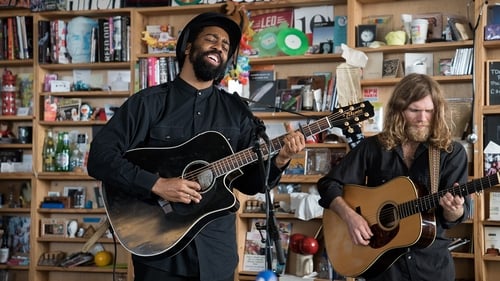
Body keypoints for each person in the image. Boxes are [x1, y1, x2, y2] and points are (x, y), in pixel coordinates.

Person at [87, 12, 305, 281]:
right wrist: (155, 184)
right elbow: (99, 157)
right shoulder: (148, 103)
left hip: (217, 253)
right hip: (160, 252)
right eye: (211, 39)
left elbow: (251, 184)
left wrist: (281, 158)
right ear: (188, 46)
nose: (219, 48)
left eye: (226, 47)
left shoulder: (237, 112)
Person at [317, 73, 470, 281]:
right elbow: (329, 184)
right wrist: (350, 217)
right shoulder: (373, 147)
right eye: (414, 110)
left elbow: (452, 220)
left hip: (430, 268)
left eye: (429, 111)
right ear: (398, 110)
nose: (422, 119)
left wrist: (455, 209)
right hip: (383, 269)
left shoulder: (451, 153)